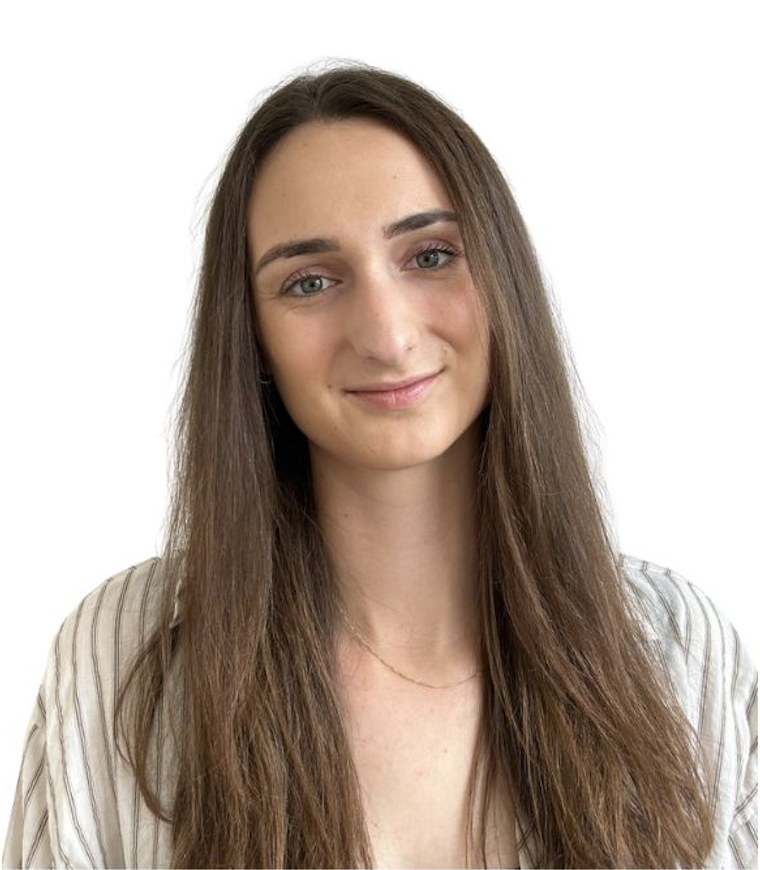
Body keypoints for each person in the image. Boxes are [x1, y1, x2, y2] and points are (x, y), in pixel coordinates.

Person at [3, 62, 757, 869]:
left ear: (505, 279)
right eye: (311, 281)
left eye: (430, 256)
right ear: (252, 342)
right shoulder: (119, 666)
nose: (387, 334)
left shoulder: (680, 654)